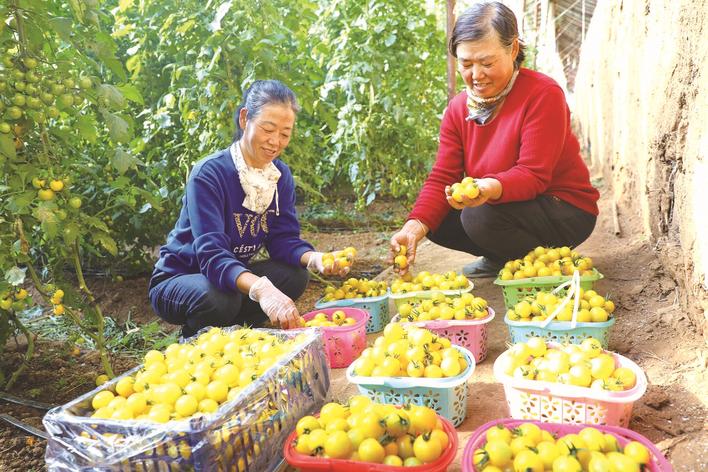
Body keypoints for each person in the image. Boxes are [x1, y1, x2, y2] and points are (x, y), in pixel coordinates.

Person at [390, 2, 599, 278]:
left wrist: (488, 188)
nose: (476, 75)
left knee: (478, 215)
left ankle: (544, 263)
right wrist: (414, 227)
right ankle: (504, 256)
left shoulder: (542, 94)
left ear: (513, 50)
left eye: (487, 63)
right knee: (434, 216)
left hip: (562, 207)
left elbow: (533, 175)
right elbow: (443, 176)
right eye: (466, 64)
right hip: (505, 206)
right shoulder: (458, 109)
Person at [149, 80, 351, 337]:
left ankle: (241, 330)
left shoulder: (279, 177)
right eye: (268, 129)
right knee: (220, 297)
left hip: (226, 277)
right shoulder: (210, 174)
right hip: (181, 279)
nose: (275, 142)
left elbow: (283, 241)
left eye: (285, 134)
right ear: (245, 118)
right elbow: (212, 256)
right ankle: (194, 337)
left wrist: (316, 259)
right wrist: (262, 290)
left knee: (294, 276)